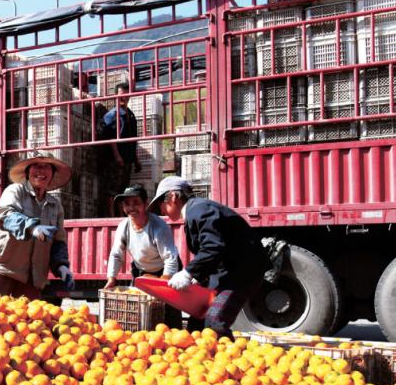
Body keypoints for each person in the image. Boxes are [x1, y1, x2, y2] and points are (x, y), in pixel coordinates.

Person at [150, 175, 270, 338]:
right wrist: (198, 277)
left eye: (160, 204)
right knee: (197, 324)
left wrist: (188, 273)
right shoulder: (195, 212)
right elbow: (213, 251)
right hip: (227, 271)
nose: (161, 210)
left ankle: (230, 360)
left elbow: (213, 247)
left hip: (242, 273)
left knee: (214, 324)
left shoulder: (200, 209)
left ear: (173, 197)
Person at [0, 154, 75, 298]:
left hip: (33, 276)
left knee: (28, 319)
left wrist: (61, 265)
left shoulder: (55, 205)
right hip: (3, 268)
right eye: (36, 166)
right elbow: (3, 215)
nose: (41, 171)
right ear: (27, 172)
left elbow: (58, 240)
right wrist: (32, 228)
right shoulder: (15, 191)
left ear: (52, 174)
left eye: (46, 167)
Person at [104, 184, 182, 326]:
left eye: (136, 203)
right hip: (142, 271)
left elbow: (171, 259)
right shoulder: (124, 226)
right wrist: (111, 278)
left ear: (145, 204)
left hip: (165, 271)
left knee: (169, 314)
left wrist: (162, 285)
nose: (131, 208)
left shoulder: (158, 226)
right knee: (140, 313)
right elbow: (116, 254)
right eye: (127, 204)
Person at [100, 82, 141, 194]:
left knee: (123, 187)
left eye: (127, 94)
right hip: (115, 159)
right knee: (112, 187)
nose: (125, 97)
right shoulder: (111, 115)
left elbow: (133, 138)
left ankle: (119, 211)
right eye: (122, 94)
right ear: (116, 96)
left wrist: (136, 158)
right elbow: (110, 137)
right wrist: (117, 156)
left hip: (128, 157)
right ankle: (111, 212)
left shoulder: (131, 115)